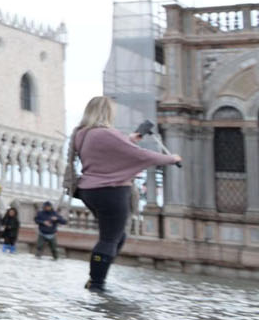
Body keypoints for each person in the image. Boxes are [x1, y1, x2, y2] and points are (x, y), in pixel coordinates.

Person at [70, 95, 180, 292]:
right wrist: (170, 158)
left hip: (89, 191)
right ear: (107, 112)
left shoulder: (82, 133)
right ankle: (96, 284)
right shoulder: (106, 133)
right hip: (110, 191)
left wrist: (130, 139)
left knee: (117, 237)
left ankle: (97, 276)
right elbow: (140, 155)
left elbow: (106, 148)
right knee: (109, 239)